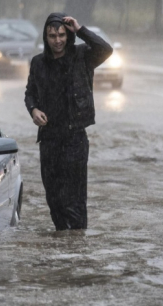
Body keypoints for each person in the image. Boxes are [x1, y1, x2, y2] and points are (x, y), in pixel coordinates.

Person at [24, 12, 113, 231]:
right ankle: (63, 241)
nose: (58, 40)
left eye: (62, 35)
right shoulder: (38, 63)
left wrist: (80, 28)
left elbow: (106, 49)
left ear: (68, 34)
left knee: (74, 199)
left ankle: (76, 247)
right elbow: (30, 93)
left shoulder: (82, 56)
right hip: (49, 139)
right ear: (46, 37)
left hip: (74, 139)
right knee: (54, 199)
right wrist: (33, 109)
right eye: (52, 36)